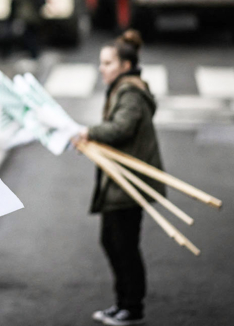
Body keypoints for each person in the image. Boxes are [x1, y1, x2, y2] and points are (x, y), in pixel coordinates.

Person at [74, 30, 164, 326]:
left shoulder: (130, 92)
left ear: (126, 65)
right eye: (102, 62)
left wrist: (90, 132)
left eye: (108, 63)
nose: (102, 68)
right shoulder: (121, 88)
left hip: (130, 182)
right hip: (120, 180)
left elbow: (121, 128)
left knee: (122, 245)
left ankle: (131, 307)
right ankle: (122, 303)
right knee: (113, 242)